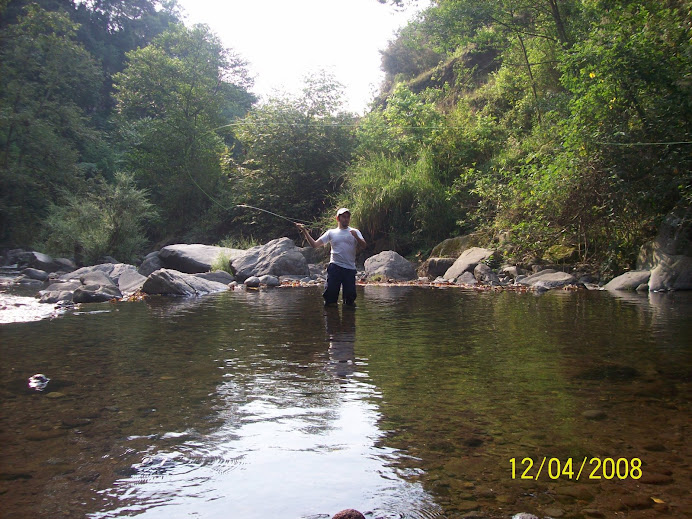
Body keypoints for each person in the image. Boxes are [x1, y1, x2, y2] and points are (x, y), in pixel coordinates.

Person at [296, 208, 366, 307]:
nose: (346, 219)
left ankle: (349, 320)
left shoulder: (355, 231)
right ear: (338, 218)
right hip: (335, 267)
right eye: (343, 217)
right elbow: (315, 245)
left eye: (348, 217)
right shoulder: (331, 232)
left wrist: (357, 237)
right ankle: (331, 320)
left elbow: (364, 246)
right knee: (330, 299)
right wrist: (304, 231)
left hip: (350, 269)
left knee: (349, 301)